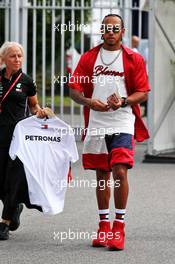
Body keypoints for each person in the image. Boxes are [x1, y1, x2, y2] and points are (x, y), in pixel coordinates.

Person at [69, 14, 150, 250]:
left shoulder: (133, 58)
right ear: (102, 31)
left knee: (120, 172)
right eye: (107, 28)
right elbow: (74, 89)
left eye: (116, 28)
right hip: (97, 123)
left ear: (122, 31)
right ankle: (104, 226)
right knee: (102, 174)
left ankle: (119, 227)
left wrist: (124, 100)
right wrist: (88, 101)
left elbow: (143, 91)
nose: (111, 32)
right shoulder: (88, 58)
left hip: (123, 121)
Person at [0, 41, 47, 240]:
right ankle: (14, 206)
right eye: (12, 56)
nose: (17, 59)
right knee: (1, 178)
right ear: (3, 59)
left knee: (14, 178)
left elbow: (34, 105)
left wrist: (41, 112)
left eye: (19, 56)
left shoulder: (27, 81)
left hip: (18, 138)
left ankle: (5, 221)